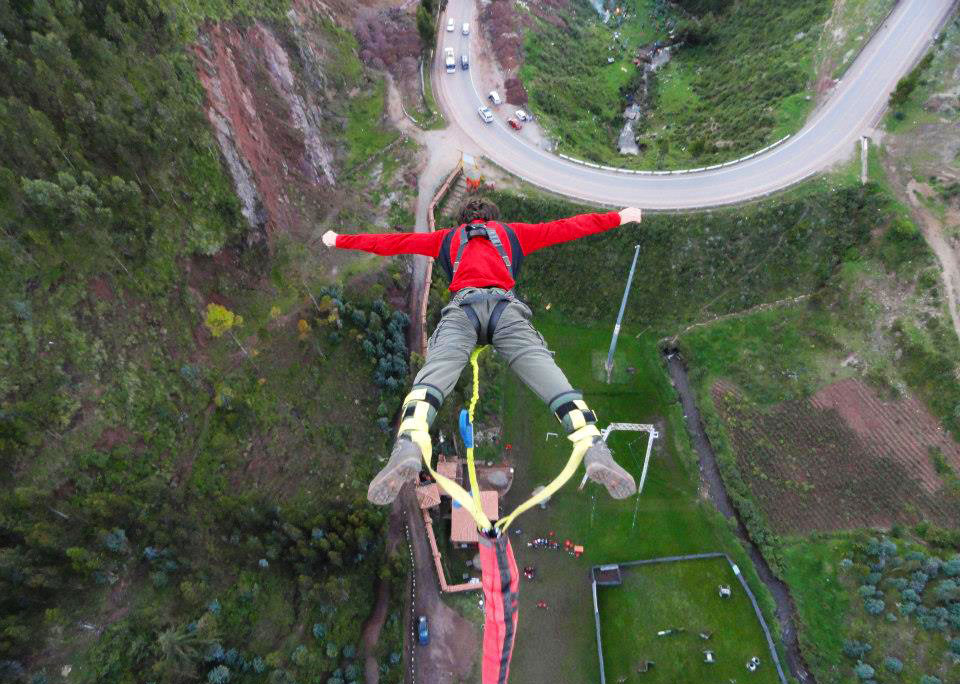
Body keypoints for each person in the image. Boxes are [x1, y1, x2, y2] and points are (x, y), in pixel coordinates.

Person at [322, 197, 644, 506]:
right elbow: (568, 227)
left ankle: (409, 442)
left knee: (435, 373)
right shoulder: (512, 234)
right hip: (506, 311)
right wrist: (620, 217)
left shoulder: (447, 239)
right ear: (494, 218)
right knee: (548, 373)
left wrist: (338, 240)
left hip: (464, 310)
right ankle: (591, 442)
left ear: (463, 220)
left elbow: (393, 242)